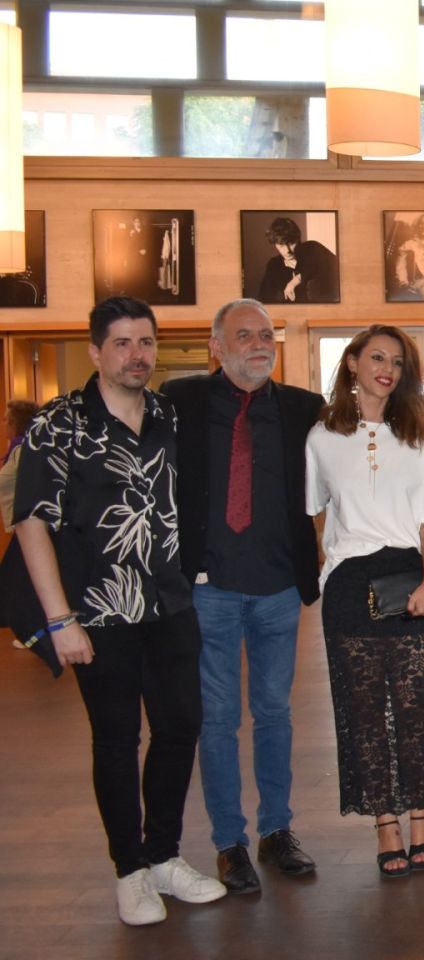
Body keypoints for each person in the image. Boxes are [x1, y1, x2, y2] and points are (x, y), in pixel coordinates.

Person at [12, 297, 226, 925]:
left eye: (147, 342)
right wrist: (59, 620)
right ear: (96, 351)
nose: (138, 355)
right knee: (116, 739)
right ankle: (129, 870)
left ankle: (162, 856)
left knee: (180, 727)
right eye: (124, 343)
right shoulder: (60, 423)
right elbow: (31, 523)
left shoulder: (166, 415)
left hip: (169, 604)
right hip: (97, 612)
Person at [164, 300, 324, 894]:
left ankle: (276, 830)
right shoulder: (179, 402)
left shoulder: (304, 409)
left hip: (279, 588)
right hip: (209, 591)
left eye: (265, 335)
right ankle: (228, 842)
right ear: (216, 346)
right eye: (244, 335)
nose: (259, 344)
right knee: (218, 720)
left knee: (275, 714)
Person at [306, 325, 424, 879]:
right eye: (376, 358)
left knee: (417, 707)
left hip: (409, 576)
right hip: (348, 583)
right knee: (363, 712)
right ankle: (384, 823)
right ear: (352, 363)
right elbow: (316, 510)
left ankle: (421, 817)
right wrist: (328, 566)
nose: (387, 369)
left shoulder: (423, 431)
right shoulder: (321, 435)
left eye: (396, 361)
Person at [258, 218, 338, 304]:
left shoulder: (313, 248)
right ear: (275, 244)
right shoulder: (273, 265)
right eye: (281, 245)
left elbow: (337, 267)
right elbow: (264, 299)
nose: (287, 251)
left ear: (298, 238)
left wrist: (296, 280)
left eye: (291, 243)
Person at [0, 398, 40, 532]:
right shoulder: (17, 449)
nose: (3, 424)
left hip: (27, 528)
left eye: (6, 420)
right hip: (20, 528)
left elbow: (32, 488)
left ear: (15, 423)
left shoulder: (23, 449)